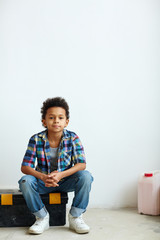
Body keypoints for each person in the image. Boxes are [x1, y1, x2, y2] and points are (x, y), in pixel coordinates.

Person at [18, 97, 93, 235]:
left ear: (66, 122)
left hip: (65, 181)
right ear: (44, 121)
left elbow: (81, 164)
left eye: (60, 117)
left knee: (86, 176)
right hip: (43, 182)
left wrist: (61, 175)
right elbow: (25, 167)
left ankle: (75, 216)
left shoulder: (73, 138)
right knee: (25, 181)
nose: (56, 121)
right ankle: (42, 217)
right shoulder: (35, 139)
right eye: (51, 117)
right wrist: (43, 177)